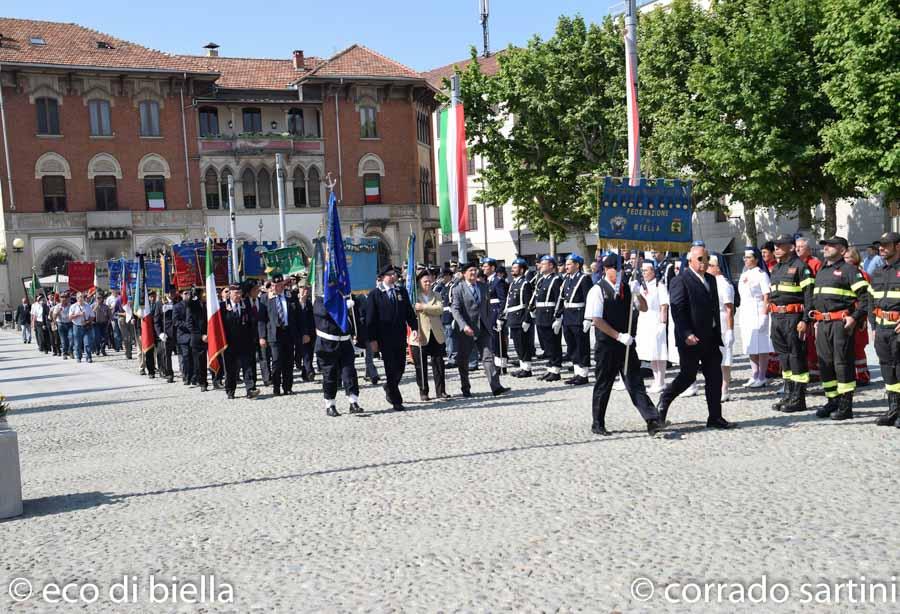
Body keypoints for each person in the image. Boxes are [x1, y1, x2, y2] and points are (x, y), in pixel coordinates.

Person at [657, 245, 733, 430]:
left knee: (714, 376)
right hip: (691, 339)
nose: (704, 262)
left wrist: (720, 331)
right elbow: (677, 309)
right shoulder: (680, 280)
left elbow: (714, 307)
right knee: (687, 376)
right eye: (700, 259)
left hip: (710, 337)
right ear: (690, 260)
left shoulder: (711, 279)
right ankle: (664, 400)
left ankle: (715, 416)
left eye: (706, 258)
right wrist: (686, 333)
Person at [586, 254, 662, 436]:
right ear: (606, 269)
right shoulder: (597, 290)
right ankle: (598, 423)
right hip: (607, 346)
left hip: (626, 345)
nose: (619, 273)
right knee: (603, 385)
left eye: (620, 269)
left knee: (635, 383)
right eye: (615, 269)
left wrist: (638, 294)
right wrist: (618, 336)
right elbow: (596, 320)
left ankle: (652, 419)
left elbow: (643, 308)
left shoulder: (627, 288)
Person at [811, 236, 870, 421]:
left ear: (843, 250)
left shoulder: (850, 270)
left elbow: (866, 298)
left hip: (840, 324)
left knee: (842, 364)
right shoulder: (821, 269)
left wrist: (854, 318)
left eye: (831, 245)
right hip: (822, 324)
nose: (826, 248)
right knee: (825, 364)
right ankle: (832, 400)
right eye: (825, 245)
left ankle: (846, 405)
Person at [765, 235, 815, 412]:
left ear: (791, 248)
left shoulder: (801, 267)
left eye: (780, 246)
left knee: (796, 357)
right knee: (784, 358)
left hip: (794, 318)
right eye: (775, 246)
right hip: (777, 318)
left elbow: (810, 296)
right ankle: (788, 394)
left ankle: (798, 399)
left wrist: (805, 320)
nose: (776, 248)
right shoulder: (776, 268)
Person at [450, 261, 508, 397]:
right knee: (464, 359)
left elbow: (487, 306)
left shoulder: (483, 286)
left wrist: (489, 322)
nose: (474, 273)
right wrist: (463, 325)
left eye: (475, 270)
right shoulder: (458, 289)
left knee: (488, 357)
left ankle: (496, 386)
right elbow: (455, 309)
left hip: (483, 328)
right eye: (470, 270)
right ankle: (465, 387)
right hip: (467, 330)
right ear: (464, 274)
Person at [366, 264, 418, 411]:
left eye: (394, 274)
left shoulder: (401, 291)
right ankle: (396, 400)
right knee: (390, 367)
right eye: (390, 274)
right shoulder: (375, 294)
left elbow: (408, 311)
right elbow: (370, 319)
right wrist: (373, 340)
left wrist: (414, 328)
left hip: (400, 335)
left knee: (400, 366)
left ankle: (389, 386)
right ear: (383, 277)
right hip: (384, 338)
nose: (394, 276)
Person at [314, 289, 364, 416]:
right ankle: (330, 404)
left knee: (349, 372)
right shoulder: (320, 300)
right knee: (330, 374)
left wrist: (357, 334)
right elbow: (324, 313)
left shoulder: (346, 297)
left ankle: (353, 401)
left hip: (345, 341)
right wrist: (342, 307)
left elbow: (355, 316)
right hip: (327, 343)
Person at [868, 231, 900, 428]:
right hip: (882, 329)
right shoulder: (879, 272)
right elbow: (871, 299)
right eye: (880, 244)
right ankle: (894, 409)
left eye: (886, 245)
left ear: (898, 246)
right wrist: (873, 324)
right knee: (888, 370)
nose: (882, 248)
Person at [409, 270, 448, 401]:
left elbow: (439, 309)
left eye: (429, 281)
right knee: (421, 365)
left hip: (436, 333)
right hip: (420, 334)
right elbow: (411, 313)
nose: (428, 283)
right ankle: (423, 391)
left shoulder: (436, 295)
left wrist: (423, 307)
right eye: (425, 281)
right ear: (419, 283)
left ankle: (441, 391)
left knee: (438, 363)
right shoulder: (414, 296)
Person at [737, 247, 773, 387]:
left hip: (758, 310)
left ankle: (762, 375)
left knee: (761, 345)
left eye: (748, 257)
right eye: (744, 257)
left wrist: (764, 314)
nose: (745, 260)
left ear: (756, 259)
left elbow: (766, 295)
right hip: (746, 310)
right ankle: (754, 373)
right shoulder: (744, 273)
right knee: (749, 344)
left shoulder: (761, 274)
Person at [556, 254, 592, 386]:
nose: (566, 267)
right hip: (568, 316)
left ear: (577, 265)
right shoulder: (567, 279)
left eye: (569, 264)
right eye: (566, 264)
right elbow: (562, 299)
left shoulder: (584, 279)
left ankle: (583, 374)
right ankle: (577, 372)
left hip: (579, 316)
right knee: (571, 345)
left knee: (581, 345)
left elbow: (589, 299)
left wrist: (588, 317)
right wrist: (558, 316)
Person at [220, 285, 260, 399]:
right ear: (230, 294)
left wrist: (254, 338)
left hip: (245, 342)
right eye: (236, 293)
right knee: (230, 369)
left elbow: (252, 322)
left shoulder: (245, 305)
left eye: (239, 293)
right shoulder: (223, 307)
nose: (238, 295)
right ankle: (230, 390)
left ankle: (250, 389)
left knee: (248, 367)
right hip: (229, 343)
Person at [634, 260, 669, 393]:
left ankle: (661, 380)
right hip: (644, 320)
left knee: (659, 352)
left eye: (646, 270)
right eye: (642, 271)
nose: (643, 273)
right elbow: (639, 305)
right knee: (651, 353)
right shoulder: (643, 286)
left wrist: (662, 323)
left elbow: (664, 306)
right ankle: (656, 379)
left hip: (656, 319)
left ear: (653, 271)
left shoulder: (659, 285)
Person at [707, 254, 736, 401]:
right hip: (711, 321)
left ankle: (725, 388)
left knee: (725, 357)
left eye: (710, 265)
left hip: (723, 321)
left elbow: (729, 309)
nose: (707, 268)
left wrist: (730, 330)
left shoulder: (724, 284)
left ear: (718, 267)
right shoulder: (709, 281)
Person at [264, 273, 298, 396]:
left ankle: (288, 387)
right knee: (277, 361)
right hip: (275, 334)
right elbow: (262, 319)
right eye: (276, 285)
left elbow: (297, 315)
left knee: (289, 362)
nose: (278, 287)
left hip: (288, 332)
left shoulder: (290, 296)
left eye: (280, 285)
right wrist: (262, 336)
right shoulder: (266, 298)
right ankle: (276, 387)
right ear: (272, 285)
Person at [533, 255, 563, 381]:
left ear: (551, 265)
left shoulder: (556, 280)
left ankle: (555, 370)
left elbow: (559, 299)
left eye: (544, 263)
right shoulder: (541, 280)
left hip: (550, 314)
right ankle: (550, 368)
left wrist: (558, 317)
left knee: (553, 343)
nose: (540, 265)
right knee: (546, 344)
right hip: (540, 315)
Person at [796, 236, 822, 381]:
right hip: (797, 307)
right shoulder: (795, 263)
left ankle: (815, 371)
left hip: (811, 307)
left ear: (809, 249)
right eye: (796, 246)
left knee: (812, 340)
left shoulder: (815, 263)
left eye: (801, 246)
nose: (798, 249)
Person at [505, 258, 535, 378]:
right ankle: (523, 366)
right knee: (518, 344)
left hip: (521, 317)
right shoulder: (513, 283)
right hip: (513, 318)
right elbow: (509, 302)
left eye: (515, 267)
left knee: (524, 344)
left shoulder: (525, 284)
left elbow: (529, 304)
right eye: (512, 267)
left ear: (522, 270)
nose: (512, 269)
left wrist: (527, 320)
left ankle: (527, 368)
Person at [482, 257, 509, 372]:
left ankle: (501, 365)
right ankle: (496, 363)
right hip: (489, 312)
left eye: (485, 266)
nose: (483, 268)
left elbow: (503, 300)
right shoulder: (488, 281)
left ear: (492, 268)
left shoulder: (498, 281)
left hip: (496, 312)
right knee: (492, 340)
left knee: (498, 340)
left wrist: (500, 316)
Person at [154, 288, 178, 383]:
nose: (172, 293)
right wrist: (160, 333)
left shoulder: (177, 302)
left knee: (182, 354)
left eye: (173, 291)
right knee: (166, 355)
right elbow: (156, 321)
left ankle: (186, 374)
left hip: (177, 332)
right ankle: (169, 374)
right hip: (166, 333)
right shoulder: (160, 304)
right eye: (170, 291)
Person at [173, 288, 193, 385]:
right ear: (181, 295)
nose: (188, 295)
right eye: (185, 293)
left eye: (189, 293)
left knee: (194, 357)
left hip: (194, 335)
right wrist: (187, 325)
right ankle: (186, 376)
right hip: (183, 335)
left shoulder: (194, 305)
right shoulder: (177, 307)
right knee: (186, 357)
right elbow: (176, 321)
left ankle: (194, 377)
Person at [68, 292, 94, 363]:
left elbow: (92, 316)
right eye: (79, 297)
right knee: (77, 343)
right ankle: (79, 357)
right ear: (77, 298)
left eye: (82, 297)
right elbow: (70, 318)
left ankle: (89, 357)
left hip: (86, 326)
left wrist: (88, 321)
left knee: (87, 342)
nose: (80, 298)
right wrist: (78, 314)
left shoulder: (87, 306)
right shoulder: (73, 306)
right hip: (77, 326)